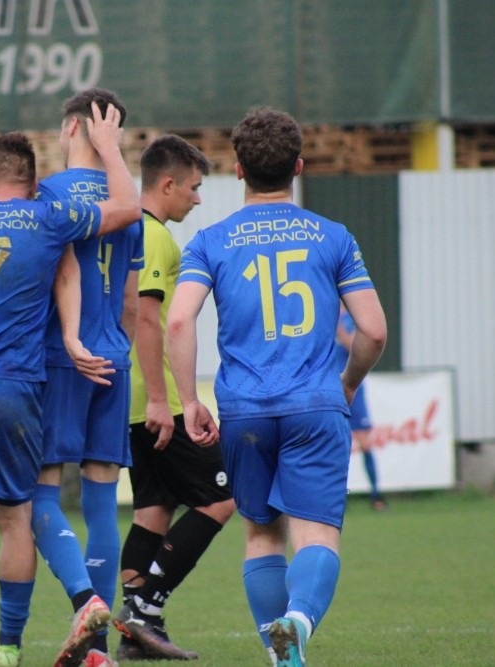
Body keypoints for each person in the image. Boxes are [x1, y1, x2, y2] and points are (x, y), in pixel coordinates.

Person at [0, 109, 141, 667]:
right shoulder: (48, 217)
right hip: (16, 383)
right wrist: (110, 147)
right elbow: (127, 209)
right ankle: (10, 647)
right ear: (32, 183)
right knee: (15, 517)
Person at [165, 107, 387, 667]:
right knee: (316, 537)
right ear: (299, 167)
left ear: (238, 169)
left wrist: (189, 400)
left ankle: (280, 652)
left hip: (245, 411)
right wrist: (347, 383)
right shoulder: (333, 237)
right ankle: (299, 622)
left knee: (262, 536)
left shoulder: (210, 241)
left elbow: (178, 321)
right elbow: (374, 331)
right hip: (315, 404)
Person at [111, 135, 236, 662]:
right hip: (156, 399)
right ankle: (145, 609)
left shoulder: (123, 231)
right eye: (193, 187)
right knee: (222, 497)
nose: (198, 198)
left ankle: (134, 634)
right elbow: (147, 320)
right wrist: (167, 402)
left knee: (153, 510)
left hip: (130, 398)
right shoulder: (155, 236)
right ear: (167, 185)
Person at [31, 88, 142, 667]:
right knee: (102, 504)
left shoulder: (46, 195)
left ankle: (87, 604)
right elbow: (131, 301)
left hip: (60, 358)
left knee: (39, 495)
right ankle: (97, 648)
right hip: (113, 358)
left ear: (72, 128)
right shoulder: (129, 200)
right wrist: (116, 350)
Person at [336, 304, 387, 510]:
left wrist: (339, 330)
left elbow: (354, 347)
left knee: (365, 443)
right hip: (330, 388)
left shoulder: (351, 319)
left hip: (352, 386)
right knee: (337, 445)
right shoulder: (320, 316)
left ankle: (376, 495)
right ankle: (339, 497)